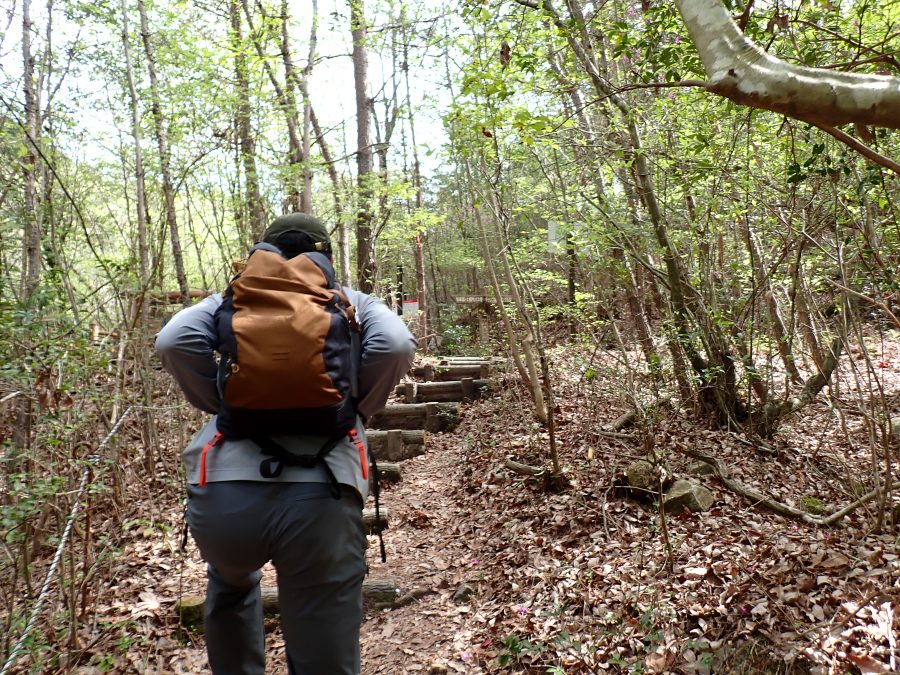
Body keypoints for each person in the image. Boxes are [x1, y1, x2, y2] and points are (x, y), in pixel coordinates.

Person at [155, 213, 417, 675]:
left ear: (265, 251)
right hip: (324, 491)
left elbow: (173, 341)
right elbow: (396, 345)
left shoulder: (233, 298)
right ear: (326, 256)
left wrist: (222, 404)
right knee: (322, 620)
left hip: (224, 494)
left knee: (231, 587)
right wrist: (358, 408)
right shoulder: (349, 301)